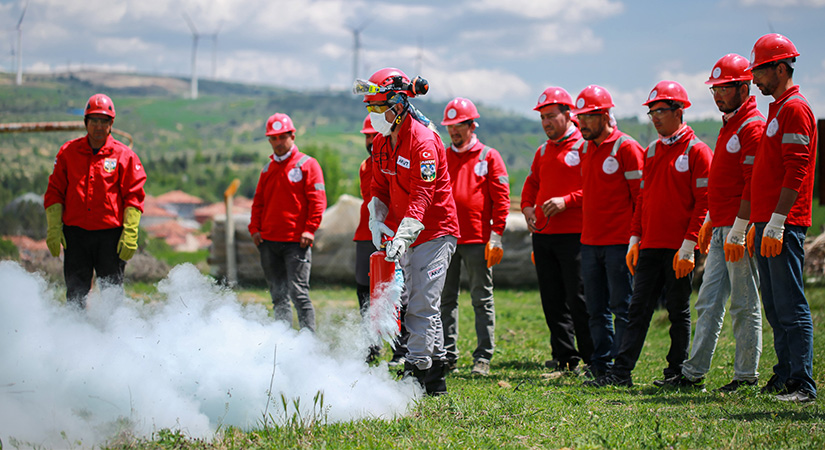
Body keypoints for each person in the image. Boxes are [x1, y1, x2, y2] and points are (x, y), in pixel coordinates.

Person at [586, 81, 712, 387]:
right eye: (651, 112)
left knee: (677, 310)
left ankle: (676, 371)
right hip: (651, 245)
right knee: (637, 309)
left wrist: (689, 244)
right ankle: (621, 372)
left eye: (660, 111)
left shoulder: (698, 151)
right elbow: (643, 197)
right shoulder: (653, 150)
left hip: (679, 247)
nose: (654, 117)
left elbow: (704, 202)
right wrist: (635, 237)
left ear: (679, 111)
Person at [353, 67, 460, 395]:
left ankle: (416, 370)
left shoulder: (424, 143)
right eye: (369, 108)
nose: (374, 116)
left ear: (398, 105)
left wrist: (404, 233)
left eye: (378, 108)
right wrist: (376, 216)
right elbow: (379, 186)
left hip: (435, 232)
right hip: (407, 235)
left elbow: (423, 196)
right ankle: (436, 378)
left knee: (421, 304)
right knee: (420, 301)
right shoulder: (385, 143)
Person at [666, 54, 764, 391]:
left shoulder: (752, 127)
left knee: (743, 303)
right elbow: (720, 185)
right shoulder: (729, 126)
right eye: (714, 90)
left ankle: (746, 376)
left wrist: (740, 228)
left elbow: (753, 183)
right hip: (721, 227)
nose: (718, 95)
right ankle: (693, 373)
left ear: (744, 86)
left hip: (738, 230)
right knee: (707, 301)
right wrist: (709, 221)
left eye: (724, 88)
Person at [747, 33, 817, 402]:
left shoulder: (794, 108)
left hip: (783, 223)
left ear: (779, 67)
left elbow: (798, 168)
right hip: (767, 222)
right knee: (774, 305)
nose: (754, 79)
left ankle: (802, 384)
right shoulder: (777, 109)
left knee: (791, 303)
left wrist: (776, 220)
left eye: (759, 71)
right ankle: (785, 375)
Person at [44, 93, 146, 309]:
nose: (99, 126)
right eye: (94, 120)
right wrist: (53, 227)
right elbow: (55, 191)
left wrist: (130, 232)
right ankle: (75, 337)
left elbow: (134, 195)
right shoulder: (68, 152)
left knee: (112, 296)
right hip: (76, 236)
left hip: (110, 238)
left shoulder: (124, 156)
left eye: (104, 121)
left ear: (111, 124)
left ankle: (112, 338)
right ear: (85, 122)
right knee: (75, 296)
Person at [573, 85, 645, 378]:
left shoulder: (626, 147)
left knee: (622, 307)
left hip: (618, 243)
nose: (582, 124)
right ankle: (599, 365)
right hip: (589, 242)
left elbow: (641, 196)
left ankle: (621, 368)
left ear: (604, 115)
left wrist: (635, 239)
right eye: (580, 117)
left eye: (589, 117)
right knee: (596, 309)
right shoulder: (583, 148)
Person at [521, 87, 593, 372]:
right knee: (551, 298)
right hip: (544, 235)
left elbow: (596, 189)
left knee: (578, 298)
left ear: (568, 114)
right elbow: (531, 184)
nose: (546, 123)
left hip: (575, 234)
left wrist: (567, 201)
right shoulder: (542, 150)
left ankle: (592, 357)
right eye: (543, 118)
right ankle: (564, 357)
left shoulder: (584, 147)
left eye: (551, 116)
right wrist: (527, 207)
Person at [440, 97, 510, 376]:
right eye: (450, 127)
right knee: (445, 299)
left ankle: (483, 357)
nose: (454, 131)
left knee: (481, 298)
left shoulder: (489, 156)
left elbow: (501, 198)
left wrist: (497, 234)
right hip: (446, 239)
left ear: (471, 125)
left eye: (459, 125)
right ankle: (446, 355)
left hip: (478, 239)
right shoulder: (443, 156)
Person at [249, 113, 326, 332]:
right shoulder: (267, 169)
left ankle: (307, 343)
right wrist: (254, 229)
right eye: (273, 138)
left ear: (292, 135)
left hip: (296, 242)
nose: (278, 143)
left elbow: (317, 201)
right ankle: (282, 342)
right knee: (278, 296)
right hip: (268, 242)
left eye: (282, 137)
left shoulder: (308, 165)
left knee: (298, 294)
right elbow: (259, 203)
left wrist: (310, 229)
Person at [353, 115, 386, 361]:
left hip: (389, 235)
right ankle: (371, 344)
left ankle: (401, 347)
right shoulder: (365, 166)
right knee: (363, 291)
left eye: (373, 135)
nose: (370, 140)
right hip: (365, 233)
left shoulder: (392, 162)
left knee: (393, 290)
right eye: (366, 136)